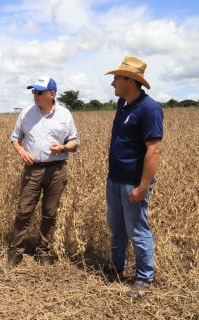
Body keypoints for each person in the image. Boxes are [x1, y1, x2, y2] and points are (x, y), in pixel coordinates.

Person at [104, 56, 163, 298]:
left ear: (131, 81)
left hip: (133, 183)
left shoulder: (150, 109)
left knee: (137, 229)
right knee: (116, 226)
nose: (113, 83)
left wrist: (142, 186)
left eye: (117, 78)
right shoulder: (123, 104)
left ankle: (143, 278)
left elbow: (154, 150)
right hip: (115, 179)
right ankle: (117, 267)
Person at [7, 76, 79, 269]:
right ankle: (16, 252)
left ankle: (43, 251)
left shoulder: (65, 115)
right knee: (24, 211)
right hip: (33, 169)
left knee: (50, 213)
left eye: (39, 92)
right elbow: (15, 139)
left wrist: (63, 147)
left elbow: (75, 143)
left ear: (51, 94)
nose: (35, 95)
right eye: (33, 92)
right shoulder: (26, 114)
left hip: (57, 170)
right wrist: (22, 152)